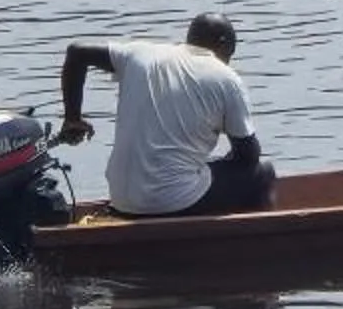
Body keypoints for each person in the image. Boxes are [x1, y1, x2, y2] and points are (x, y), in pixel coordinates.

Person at [57, 13, 276, 217]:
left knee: (196, 166)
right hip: (171, 202)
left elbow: (77, 52)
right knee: (263, 172)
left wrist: (72, 119)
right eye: (230, 54)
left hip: (122, 198)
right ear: (222, 45)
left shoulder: (140, 53)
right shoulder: (226, 78)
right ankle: (252, 246)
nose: (228, 61)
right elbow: (248, 156)